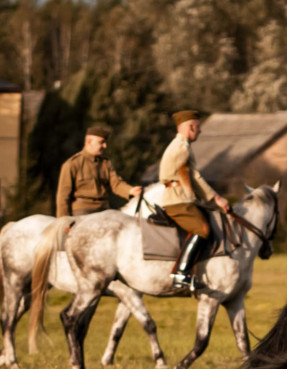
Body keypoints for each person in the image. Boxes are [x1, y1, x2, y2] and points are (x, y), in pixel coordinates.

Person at [159, 109, 231, 291]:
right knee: (203, 228)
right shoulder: (182, 147)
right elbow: (189, 174)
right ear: (190, 127)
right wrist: (215, 198)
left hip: (177, 197)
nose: (200, 131)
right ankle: (181, 274)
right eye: (198, 128)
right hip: (178, 200)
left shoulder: (179, 145)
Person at [55, 126, 142, 218]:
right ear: (89, 142)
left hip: (104, 209)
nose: (105, 146)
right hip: (82, 211)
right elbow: (63, 197)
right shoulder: (72, 164)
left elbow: (116, 184)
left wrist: (130, 190)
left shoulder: (105, 163)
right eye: (101, 142)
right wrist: (63, 221)